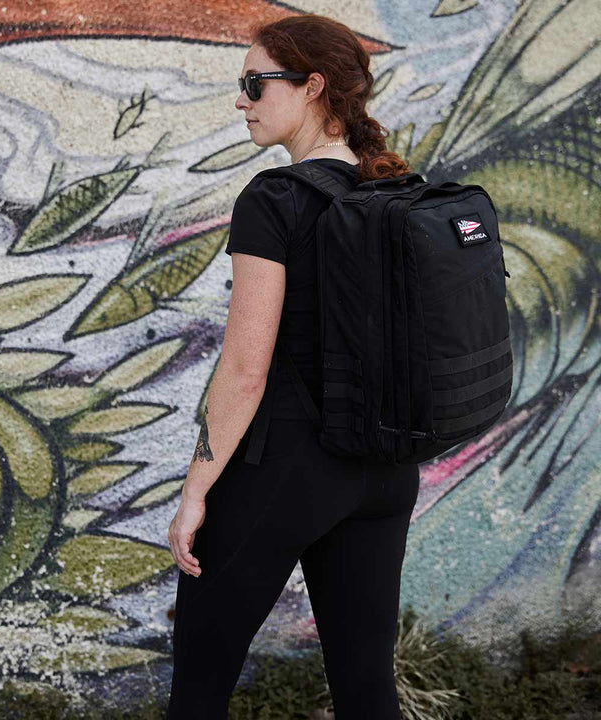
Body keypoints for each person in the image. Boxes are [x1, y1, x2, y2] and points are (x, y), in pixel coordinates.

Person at [166, 14, 420, 720]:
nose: (240, 100)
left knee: (199, 695)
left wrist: (196, 493)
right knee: (368, 692)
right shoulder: (396, 191)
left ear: (311, 86)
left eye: (254, 83)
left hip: (287, 471)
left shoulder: (274, 200)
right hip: (385, 473)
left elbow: (244, 372)